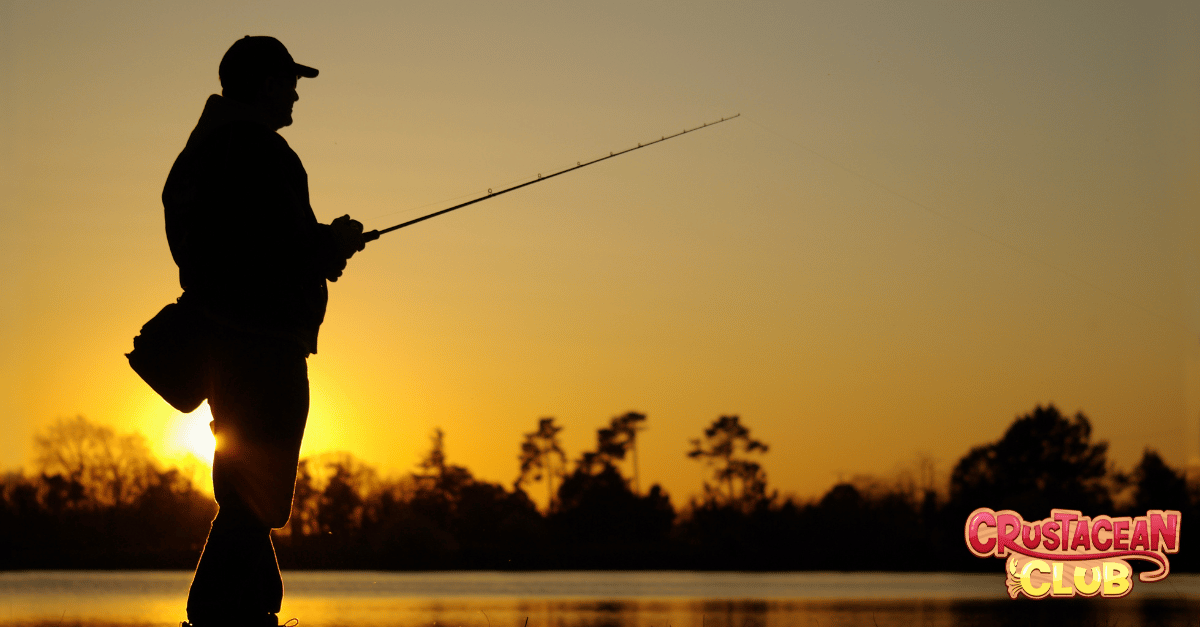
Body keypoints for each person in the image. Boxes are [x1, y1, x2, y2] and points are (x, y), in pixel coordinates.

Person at [161, 36, 366, 627]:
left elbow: (235, 246)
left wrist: (318, 244)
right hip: (262, 345)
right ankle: (226, 612)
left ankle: (247, 609)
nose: (297, 93)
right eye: (289, 81)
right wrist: (330, 243)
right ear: (265, 84)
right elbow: (278, 249)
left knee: (248, 486)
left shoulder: (201, 153)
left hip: (225, 343)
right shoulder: (261, 152)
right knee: (258, 488)